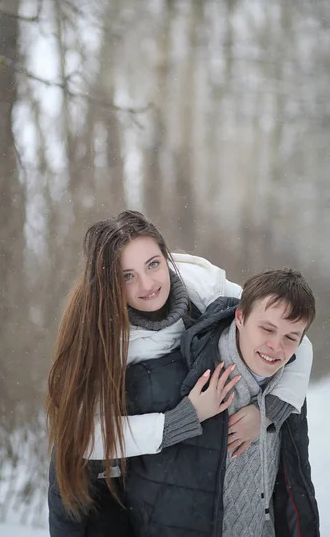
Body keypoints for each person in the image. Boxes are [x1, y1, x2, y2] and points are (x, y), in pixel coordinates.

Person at [46, 210, 313, 536]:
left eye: (153, 264)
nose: (147, 284)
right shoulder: (101, 337)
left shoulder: (202, 285)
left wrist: (268, 412)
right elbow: (83, 438)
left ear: (166, 257)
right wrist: (184, 418)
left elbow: (292, 336)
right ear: (107, 282)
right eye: (127, 276)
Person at [124, 269, 320, 536]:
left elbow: (296, 485)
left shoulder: (288, 391)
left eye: (290, 337)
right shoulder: (182, 378)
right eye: (267, 328)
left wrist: (269, 412)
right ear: (239, 317)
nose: (276, 346)